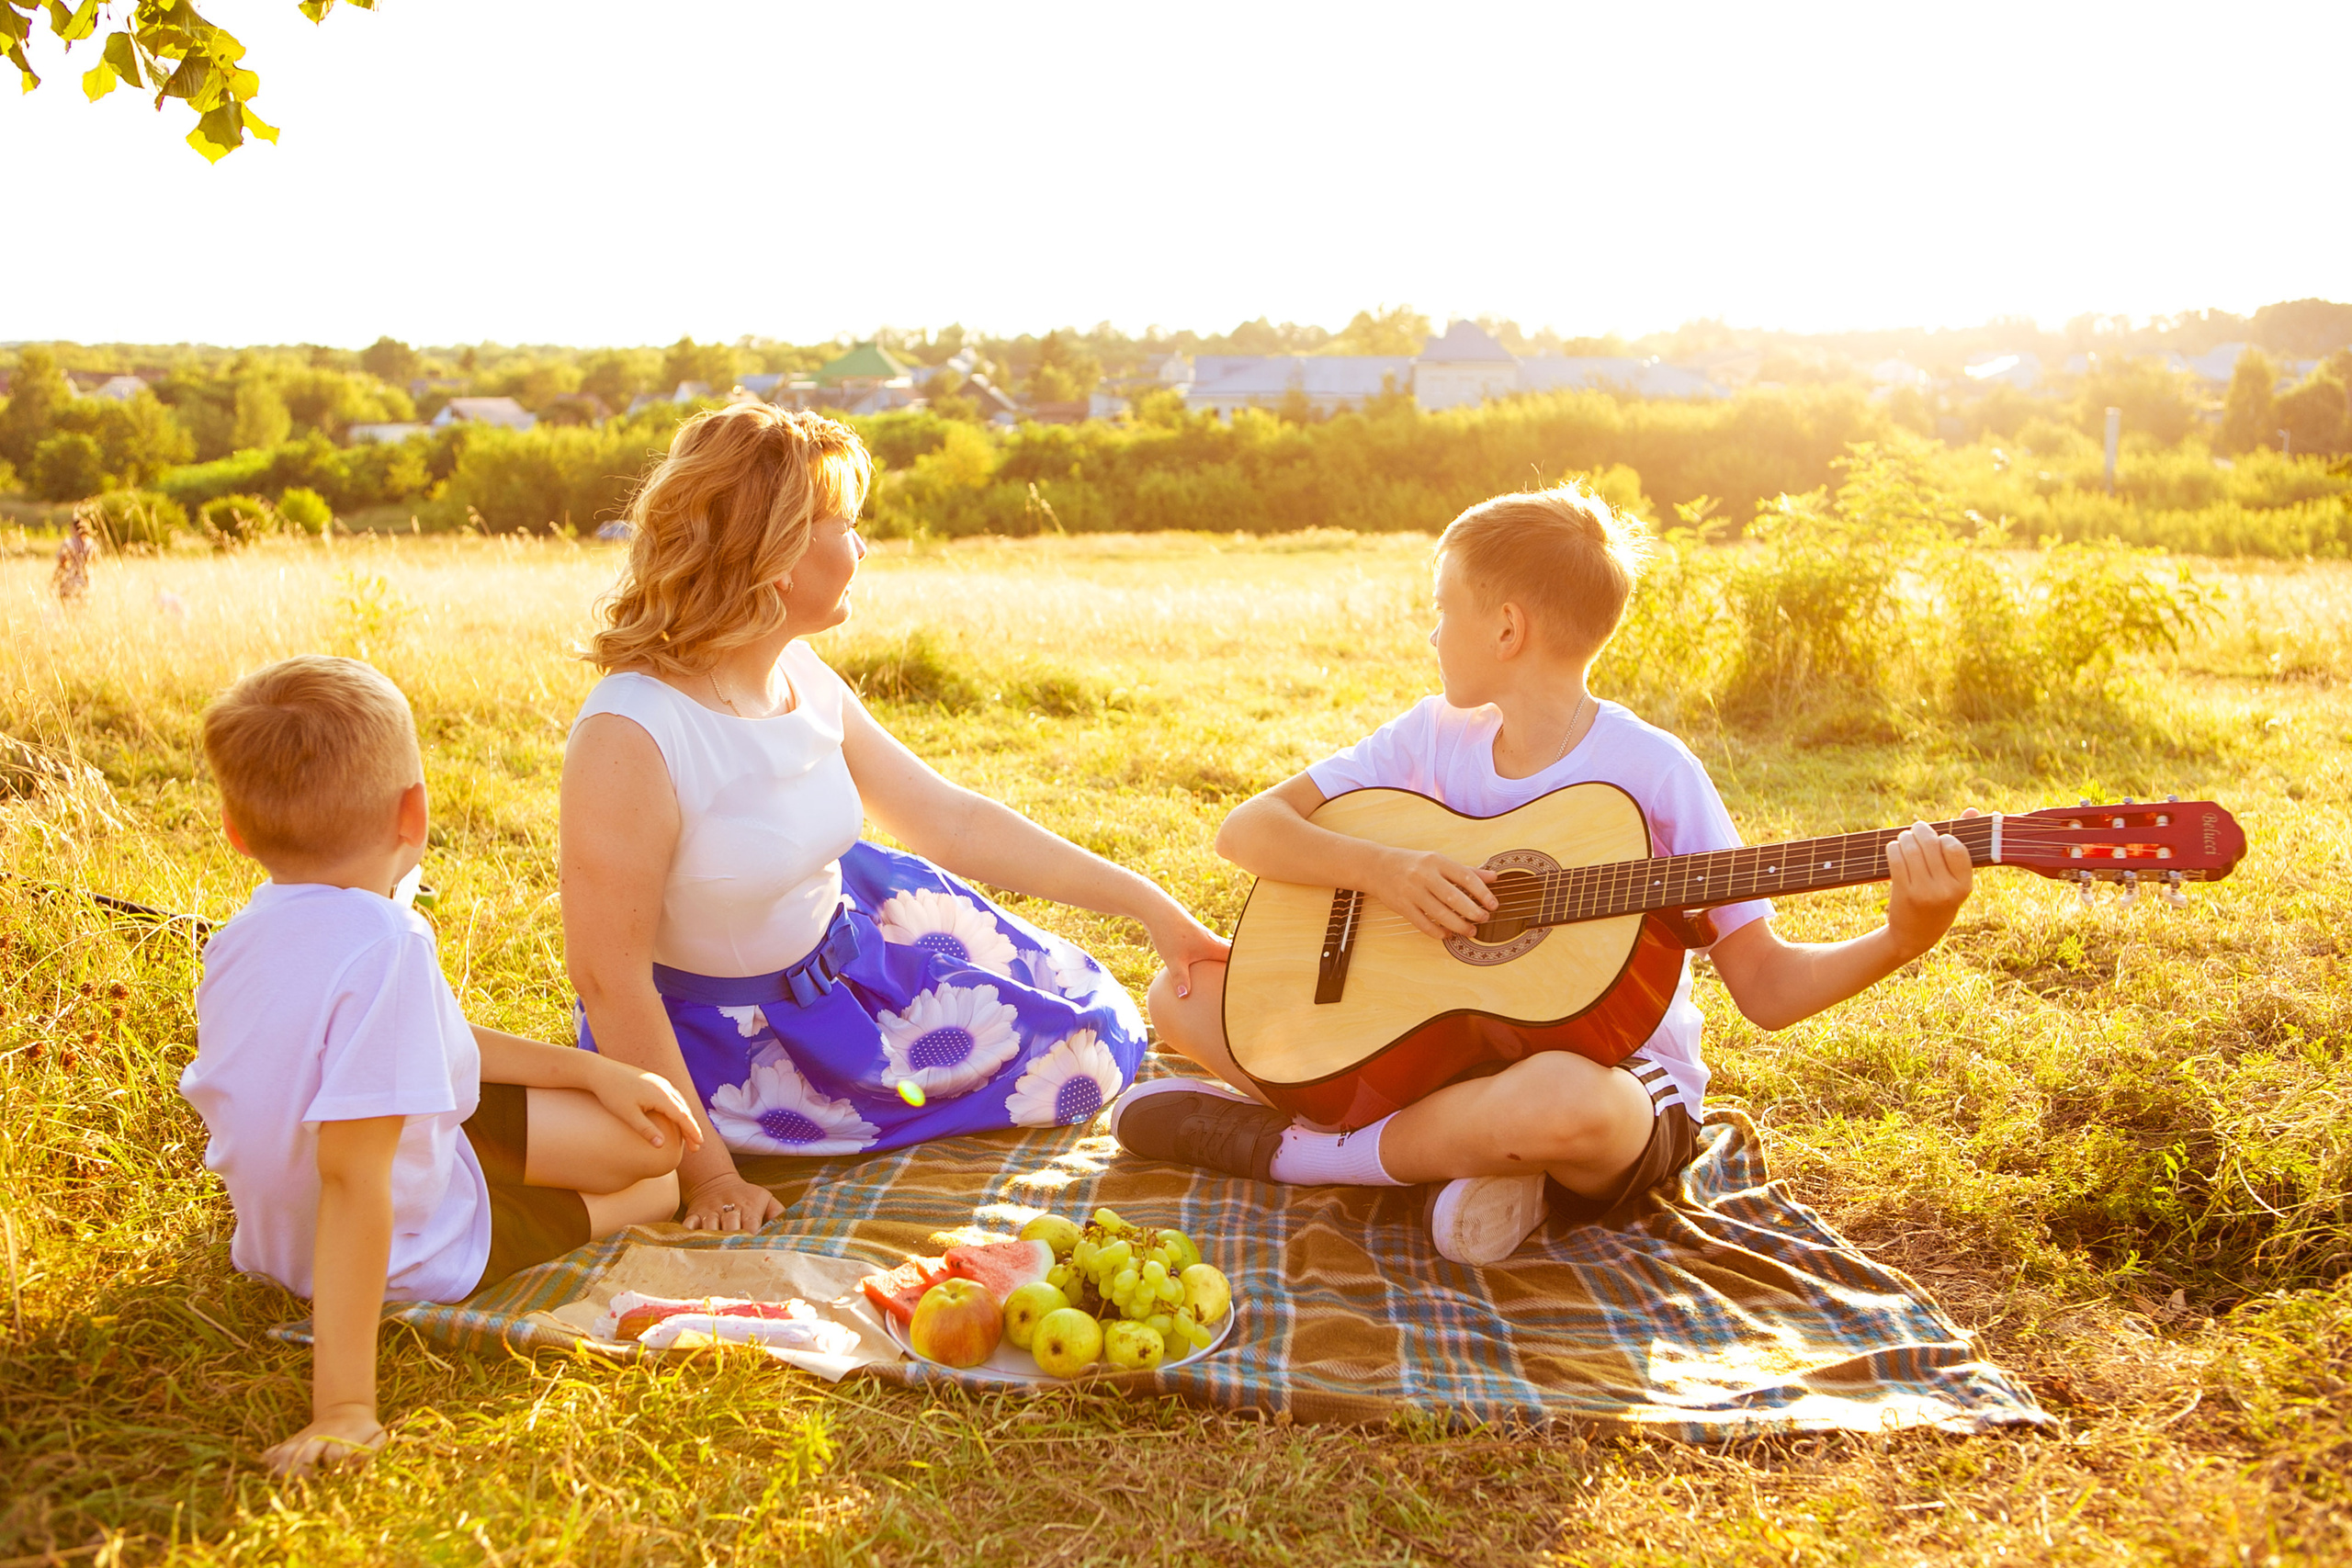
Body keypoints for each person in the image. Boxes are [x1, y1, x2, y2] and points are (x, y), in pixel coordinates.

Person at [1117, 485, 1978, 1266]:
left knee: (1560, 1103)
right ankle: (1459, 1163)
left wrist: (1908, 933)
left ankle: (1292, 1152)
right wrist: (1384, 868)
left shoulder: (1652, 772)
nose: (1430, 631)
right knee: (1182, 995)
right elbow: (1248, 829)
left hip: (1608, 1083)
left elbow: (1767, 987)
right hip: (1431, 1056)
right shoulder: (1432, 734)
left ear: (1505, 627)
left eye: (1439, 607)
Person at [561, 403, 1227, 1233]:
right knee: (1070, 1071)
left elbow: (952, 821)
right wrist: (712, 1178)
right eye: (843, 521)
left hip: (853, 957)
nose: (862, 544)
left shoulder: (798, 671)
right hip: (726, 1048)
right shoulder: (630, 734)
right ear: (775, 554)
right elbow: (607, 980)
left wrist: (1150, 904)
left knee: (1094, 1045)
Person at [179, 656, 703, 1477]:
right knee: (661, 1177)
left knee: (643, 1128)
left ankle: (512, 1156)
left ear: (235, 830)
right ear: (414, 814)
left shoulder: (237, 939)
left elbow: (426, 1042)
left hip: (285, 1232)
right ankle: (529, 1204)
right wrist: (345, 1407)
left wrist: (594, 1070)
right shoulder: (387, 945)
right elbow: (356, 1180)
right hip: (414, 1251)